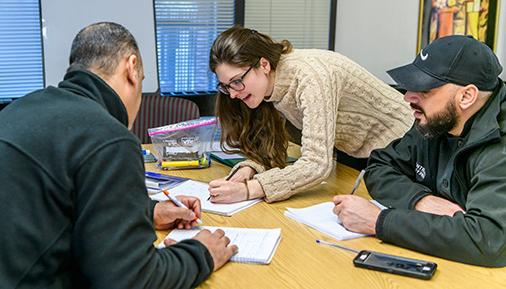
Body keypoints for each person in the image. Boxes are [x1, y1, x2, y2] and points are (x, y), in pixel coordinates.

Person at [0, 22, 237, 288]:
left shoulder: (19, 110)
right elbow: (130, 280)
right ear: (132, 68)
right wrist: (202, 253)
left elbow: (56, 206)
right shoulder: (109, 137)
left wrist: (149, 211)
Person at [332, 35, 506, 267]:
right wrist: (420, 201)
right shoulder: (439, 120)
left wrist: (380, 221)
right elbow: (380, 166)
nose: (407, 97)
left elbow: (488, 239)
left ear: (466, 96)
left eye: (424, 89)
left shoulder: (498, 145)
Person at [207, 26, 413, 204]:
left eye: (236, 81)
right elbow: (272, 143)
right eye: (226, 86)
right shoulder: (268, 85)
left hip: (405, 148)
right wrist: (250, 169)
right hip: (360, 151)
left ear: (263, 65)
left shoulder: (311, 76)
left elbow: (317, 164)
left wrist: (250, 190)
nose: (233, 94)